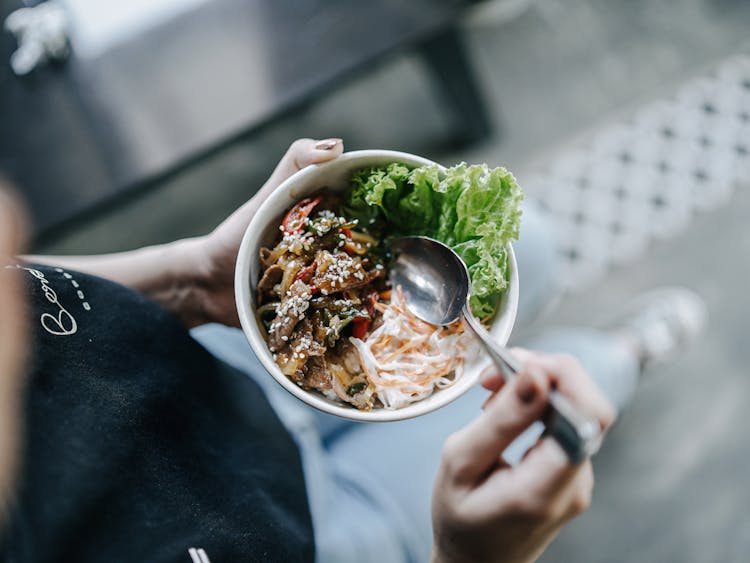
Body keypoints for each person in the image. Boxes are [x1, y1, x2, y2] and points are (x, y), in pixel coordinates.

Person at [0, 139, 704, 562]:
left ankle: (605, 342)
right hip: (322, 534)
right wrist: (465, 558)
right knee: (588, 385)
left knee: (534, 243)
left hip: (227, 357)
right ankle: (628, 350)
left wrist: (188, 279)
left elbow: (48, 297)